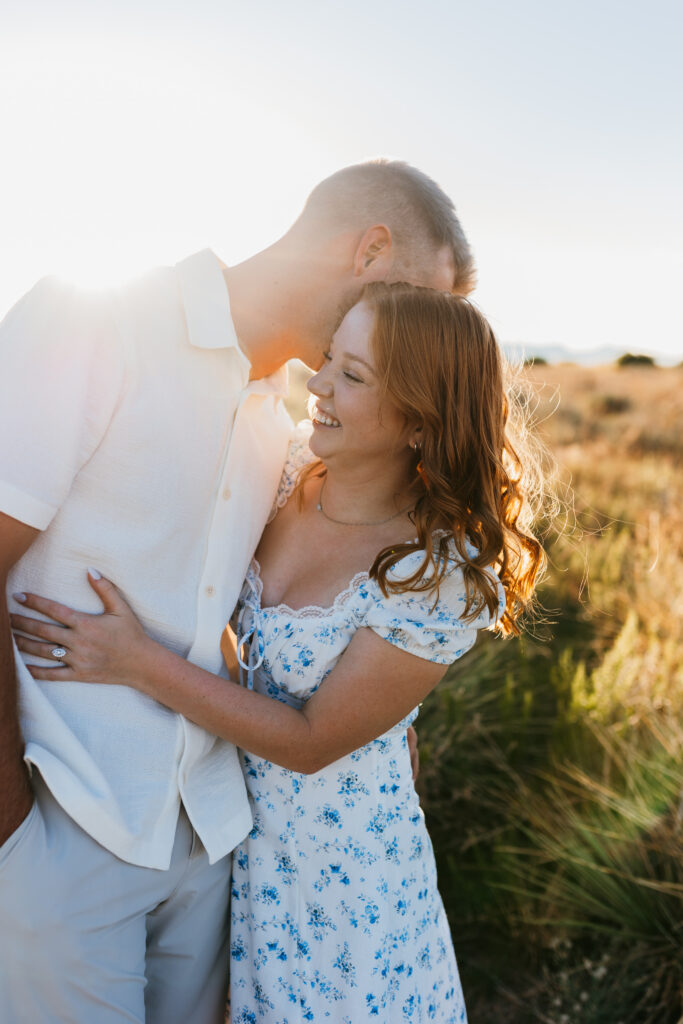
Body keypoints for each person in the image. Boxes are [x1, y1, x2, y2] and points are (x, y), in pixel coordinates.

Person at [0, 160, 475, 1023]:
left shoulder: (286, 426)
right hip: (63, 818)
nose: (413, 333)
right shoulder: (97, 320)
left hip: (223, 845)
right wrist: (8, 829)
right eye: (413, 298)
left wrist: (381, 710)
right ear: (369, 250)